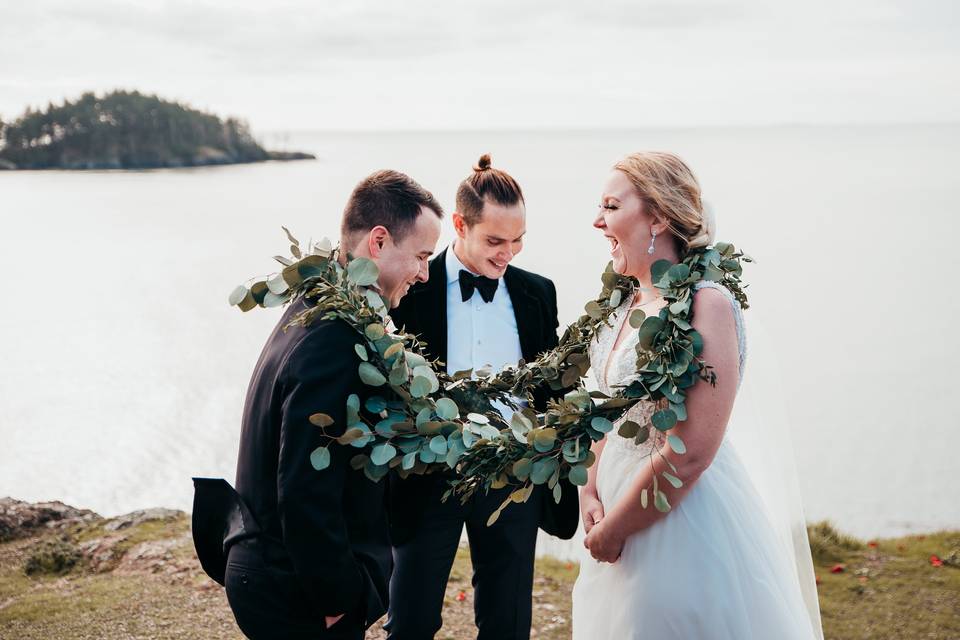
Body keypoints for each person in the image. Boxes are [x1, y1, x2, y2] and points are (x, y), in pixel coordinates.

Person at [572, 152, 823, 639]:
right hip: (611, 508)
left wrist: (617, 529)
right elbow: (605, 408)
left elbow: (691, 453)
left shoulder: (707, 304)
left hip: (678, 523)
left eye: (611, 206)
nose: (597, 220)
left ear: (659, 216)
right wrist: (588, 489)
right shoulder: (626, 302)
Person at [199, 170, 443, 639]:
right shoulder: (335, 338)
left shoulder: (315, 304)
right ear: (378, 242)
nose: (424, 272)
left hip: (272, 571)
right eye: (421, 256)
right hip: (292, 589)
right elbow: (304, 485)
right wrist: (337, 602)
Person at [386, 154, 578, 640]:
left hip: (513, 479)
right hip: (429, 479)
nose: (506, 253)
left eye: (517, 241)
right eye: (494, 240)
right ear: (458, 224)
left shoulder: (538, 293)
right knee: (410, 620)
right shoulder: (411, 289)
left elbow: (551, 389)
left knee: (508, 623)